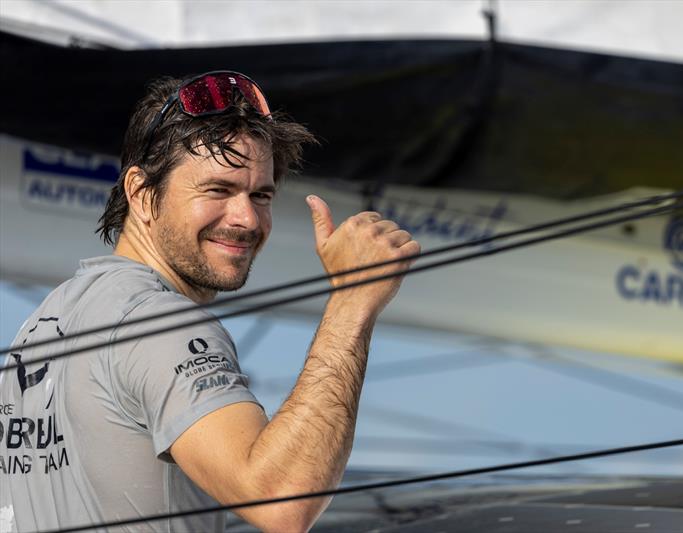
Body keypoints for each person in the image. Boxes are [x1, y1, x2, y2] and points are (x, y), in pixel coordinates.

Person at [0, 71, 419, 532]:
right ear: (141, 194)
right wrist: (353, 299)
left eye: (260, 195)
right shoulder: (159, 321)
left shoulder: (46, 322)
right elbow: (281, 500)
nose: (246, 218)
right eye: (218, 190)